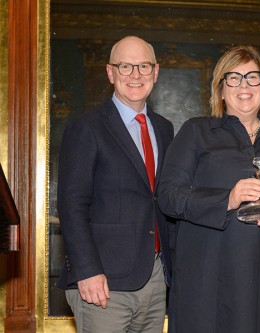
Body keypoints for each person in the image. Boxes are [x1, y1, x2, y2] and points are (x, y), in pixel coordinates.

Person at [157, 45, 260, 333]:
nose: (244, 85)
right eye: (234, 78)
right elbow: (168, 196)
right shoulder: (196, 132)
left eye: (253, 77)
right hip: (207, 280)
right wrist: (227, 199)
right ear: (220, 89)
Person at [57, 36, 175, 332]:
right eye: (125, 66)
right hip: (103, 283)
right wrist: (88, 271)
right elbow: (71, 206)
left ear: (156, 72)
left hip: (155, 277)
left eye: (143, 66)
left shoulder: (164, 128)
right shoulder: (86, 128)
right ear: (110, 73)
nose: (135, 75)